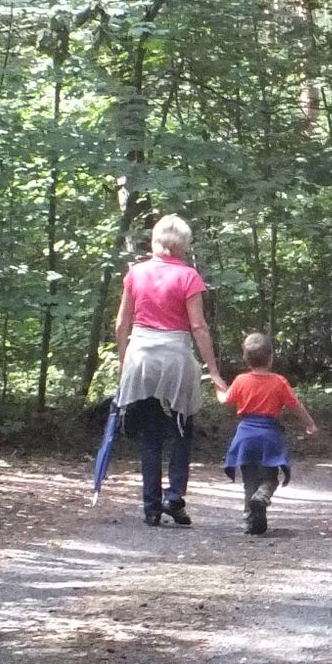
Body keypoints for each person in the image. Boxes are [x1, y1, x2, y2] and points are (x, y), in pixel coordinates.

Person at [114, 215, 223, 527]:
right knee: (182, 427)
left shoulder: (136, 273)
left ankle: (151, 507)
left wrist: (123, 363)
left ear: (156, 240)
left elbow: (122, 323)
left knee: (150, 433)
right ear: (182, 245)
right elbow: (198, 326)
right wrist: (214, 371)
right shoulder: (188, 276)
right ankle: (174, 497)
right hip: (175, 355)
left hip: (141, 355)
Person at [222, 332, 316, 535]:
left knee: (249, 481)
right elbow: (295, 406)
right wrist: (309, 423)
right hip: (269, 436)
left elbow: (225, 399)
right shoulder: (279, 382)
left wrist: (218, 388)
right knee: (270, 477)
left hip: (245, 436)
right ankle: (263, 495)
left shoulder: (240, 380)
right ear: (271, 357)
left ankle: (250, 520)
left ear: (245, 358)